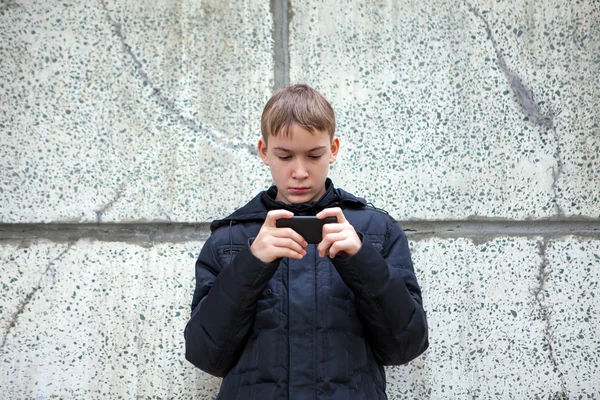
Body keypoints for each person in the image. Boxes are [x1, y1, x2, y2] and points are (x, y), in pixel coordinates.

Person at [184, 84, 428, 399]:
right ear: (263, 152)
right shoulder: (230, 239)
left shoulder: (376, 231)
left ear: (334, 149)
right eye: (284, 156)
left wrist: (361, 258)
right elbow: (205, 355)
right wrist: (251, 263)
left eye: (314, 155)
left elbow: (405, 346)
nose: (299, 172)